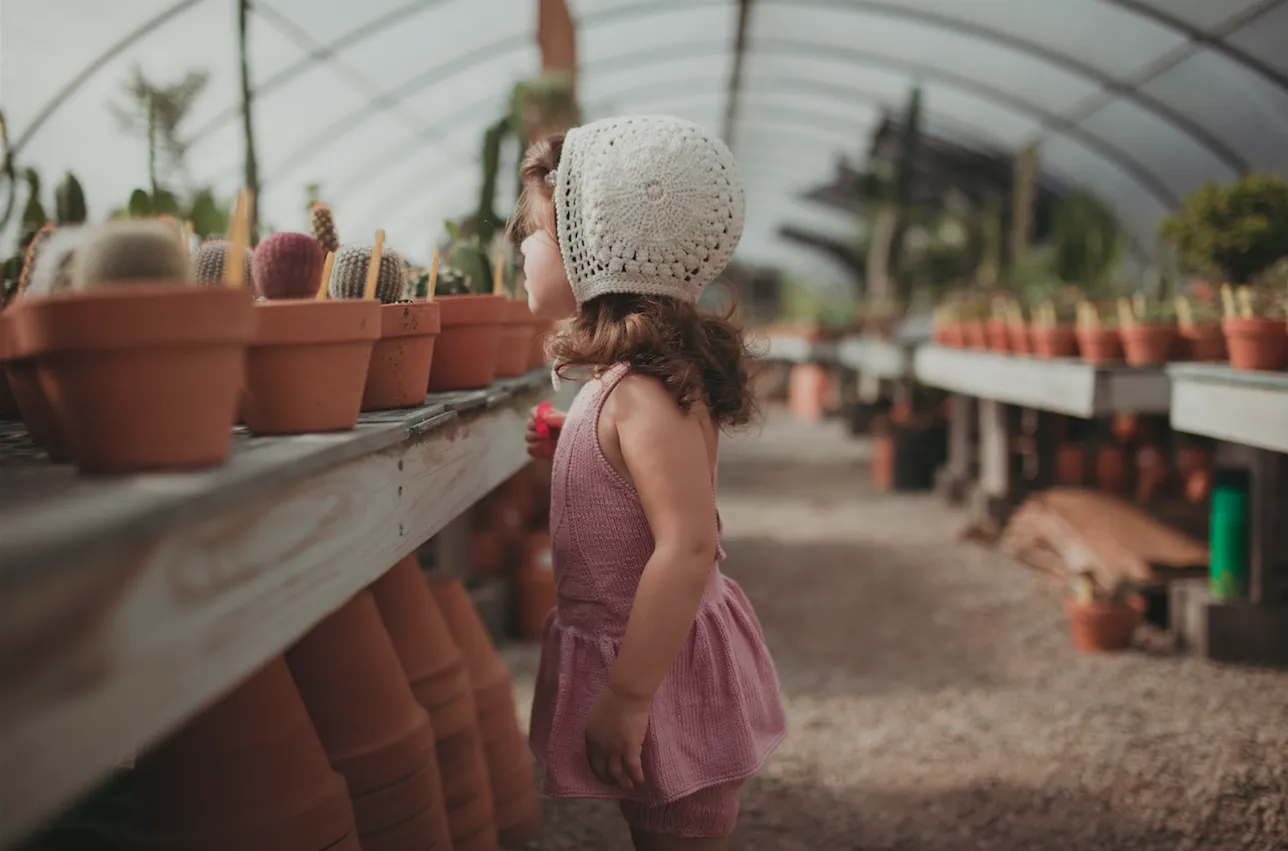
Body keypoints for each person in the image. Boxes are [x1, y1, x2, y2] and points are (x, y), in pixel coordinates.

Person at [508, 115, 788, 850]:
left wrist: (629, 698)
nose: (521, 248)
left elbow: (688, 544)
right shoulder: (629, 386)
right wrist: (580, 445)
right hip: (652, 650)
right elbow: (648, 478)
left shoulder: (641, 392)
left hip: (658, 669)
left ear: (589, 249)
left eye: (533, 232)